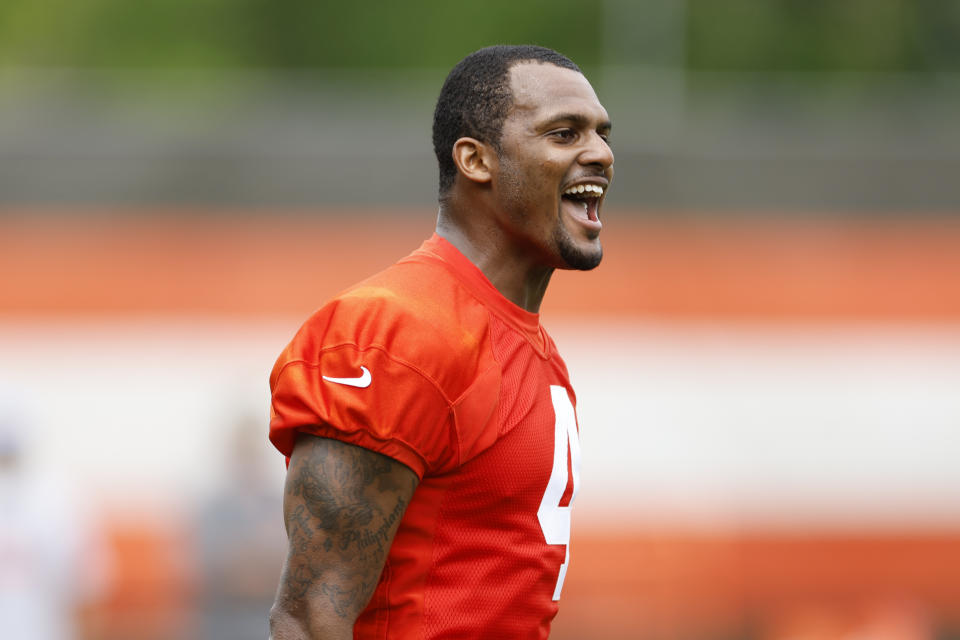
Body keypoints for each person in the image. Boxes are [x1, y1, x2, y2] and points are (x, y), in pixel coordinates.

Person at [268, 44, 614, 639]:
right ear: (477, 161)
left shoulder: (528, 345)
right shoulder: (397, 333)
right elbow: (307, 618)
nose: (601, 154)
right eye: (564, 133)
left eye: (603, 134)